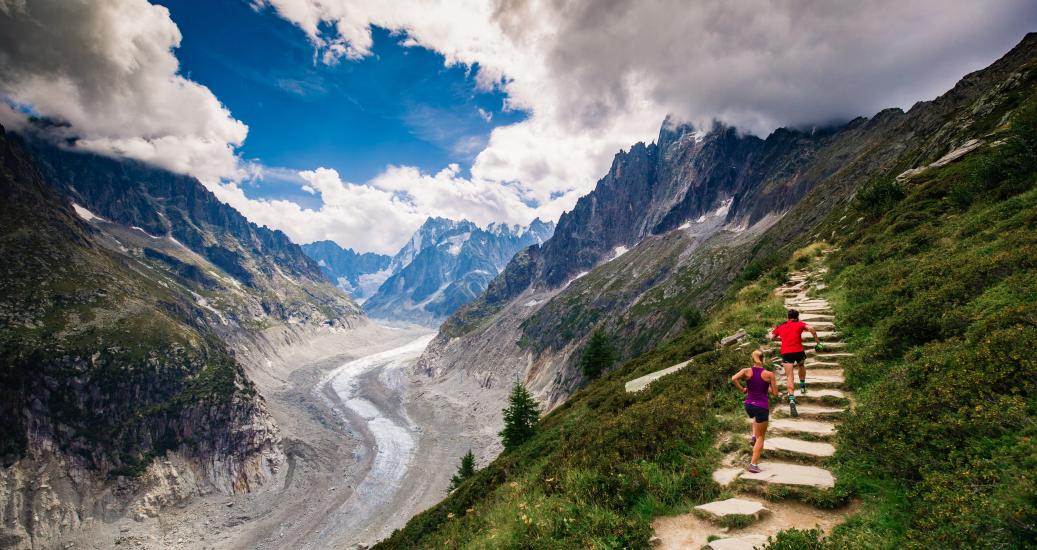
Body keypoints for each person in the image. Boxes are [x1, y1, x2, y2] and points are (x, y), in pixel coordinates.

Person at [732, 350, 778, 473]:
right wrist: (766, 387)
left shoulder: (746, 371)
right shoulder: (769, 375)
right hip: (762, 407)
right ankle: (753, 464)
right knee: (761, 437)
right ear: (763, 359)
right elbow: (775, 393)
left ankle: (753, 436)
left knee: (756, 419)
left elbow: (734, 378)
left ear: (752, 359)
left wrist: (743, 389)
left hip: (748, 406)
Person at [770, 309, 820, 417]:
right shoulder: (800, 324)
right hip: (798, 352)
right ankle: (802, 385)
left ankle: (792, 399)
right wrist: (817, 342)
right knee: (801, 365)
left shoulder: (781, 326)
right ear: (797, 316)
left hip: (786, 353)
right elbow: (812, 329)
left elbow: (772, 338)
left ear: (788, 317)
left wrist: (775, 330)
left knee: (789, 377)